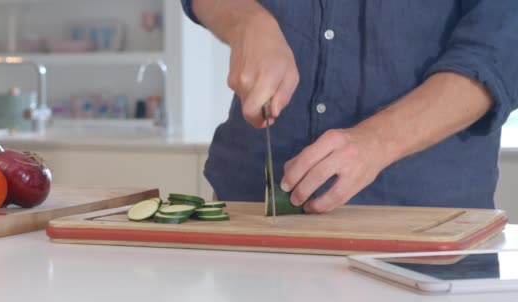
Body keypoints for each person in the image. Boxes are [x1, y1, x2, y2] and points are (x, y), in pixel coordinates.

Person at [181, 0, 518, 212]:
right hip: (246, 213)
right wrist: (247, 20)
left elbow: (501, 50)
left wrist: (379, 141)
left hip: (423, 230)